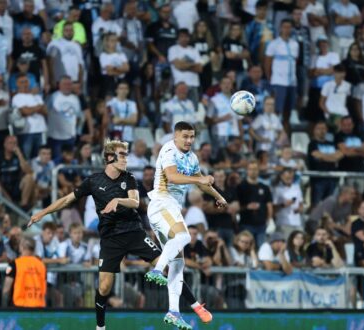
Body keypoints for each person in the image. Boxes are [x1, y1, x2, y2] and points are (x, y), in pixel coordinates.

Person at [28, 138, 212, 330]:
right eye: (122, 154)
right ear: (109, 157)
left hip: (134, 232)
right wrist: (42, 213)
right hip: (110, 239)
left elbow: (134, 201)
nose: (126, 158)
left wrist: (118, 200)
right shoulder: (93, 181)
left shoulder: (129, 178)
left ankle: (196, 305)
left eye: (126, 154)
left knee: (167, 265)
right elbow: (67, 199)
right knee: (105, 286)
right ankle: (100, 327)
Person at [145, 120, 225, 326]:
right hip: (161, 204)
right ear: (176, 136)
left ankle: (173, 311)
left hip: (172, 209)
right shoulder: (168, 149)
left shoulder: (192, 158)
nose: (189, 140)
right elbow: (172, 177)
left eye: (192, 137)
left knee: (178, 263)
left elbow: (202, 180)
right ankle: (156, 270)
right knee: (184, 236)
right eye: (185, 136)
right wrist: (199, 181)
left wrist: (218, 196)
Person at [264, 19, 298, 132]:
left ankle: (285, 133)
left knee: (288, 110)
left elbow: (295, 62)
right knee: (277, 108)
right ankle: (273, 132)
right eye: (285, 27)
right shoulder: (274, 44)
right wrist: (270, 78)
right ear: (280, 28)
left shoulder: (295, 44)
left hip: (292, 81)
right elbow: (268, 62)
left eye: (289, 27)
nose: (287, 29)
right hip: (279, 81)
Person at [236, 161, 273, 248]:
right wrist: (247, 207)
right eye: (251, 169)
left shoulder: (265, 187)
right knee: (246, 248)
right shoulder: (241, 187)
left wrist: (268, 220)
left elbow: (269, 205)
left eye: (255, 169)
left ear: (258, 170)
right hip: (246, 223)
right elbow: (236, 206)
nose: (253, 171)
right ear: (247, 171)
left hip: (261, 225)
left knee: (261, 249)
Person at [2, 237, 47, 307]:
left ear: (21, 247)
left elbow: (6, 289)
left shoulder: (13, 264)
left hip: (19, 305)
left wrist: (4, 307)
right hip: (38, 305)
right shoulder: (41, 265)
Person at [307, 121, 343, 205]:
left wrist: (324, 157)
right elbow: (316, 155)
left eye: (323, 128)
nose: (321, 131)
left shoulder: (332, 143)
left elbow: (340, 155)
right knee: (317, 204)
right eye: (319, 128)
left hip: (332, 178)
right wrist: (332, 157)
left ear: (326, 130)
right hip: (318, 179)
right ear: (314, 130)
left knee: (331, 204)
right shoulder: (312, 144)